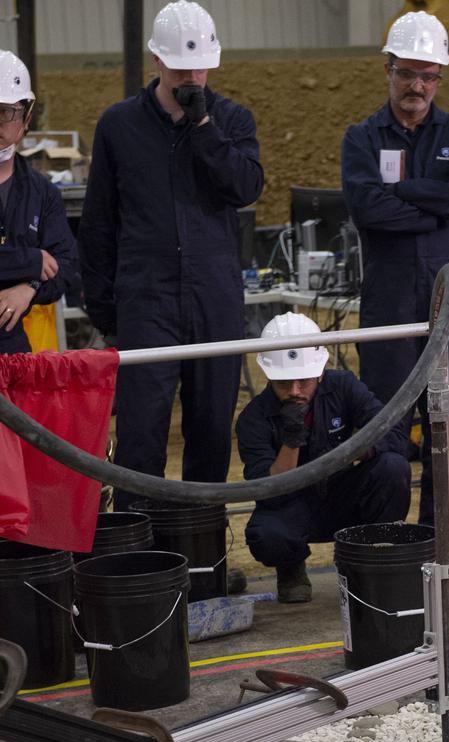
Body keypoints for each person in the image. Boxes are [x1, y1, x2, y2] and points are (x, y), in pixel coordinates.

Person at [78, 1, 263, 507]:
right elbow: (98, 222)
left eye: (202, 67)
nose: (193, 77)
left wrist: (204, 129)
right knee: (141, 436)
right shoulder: (119, 125)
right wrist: (105, 307)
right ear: (156, 61)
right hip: (147, 300)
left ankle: (204, 561)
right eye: (182, 68)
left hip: (214, 301)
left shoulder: (231, 120)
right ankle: (143, 563)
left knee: (209, 432)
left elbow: (246, 187)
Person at [341, 11, 449, 580]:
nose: (417, 86)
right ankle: (391, 539)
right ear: (388, 70)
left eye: (428, 76)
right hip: (390, 305)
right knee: (387, 425)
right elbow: (365, 207)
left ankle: (440, 538)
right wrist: (435, 201)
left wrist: (400, 192)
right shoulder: (362, 138)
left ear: (439, 78)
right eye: (407, 74)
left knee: (447, 426)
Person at [236, 313, 411, 603]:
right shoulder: (253, 419)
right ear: (267, 375)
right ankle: (290, 568)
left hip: (344, 493)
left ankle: (369, 557)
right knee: (266, 534)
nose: (294, 391)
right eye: (283, 383)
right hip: (293, 505)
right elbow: (269, 493)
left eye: (302, 381)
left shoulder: (343, 386)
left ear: (319, 371)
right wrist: (291, 441)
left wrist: (355, 451)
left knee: (392, 468)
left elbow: (392, 430)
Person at [0, 50, 77, 354]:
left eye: (5, 112)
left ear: (27, 118)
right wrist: (31, 262)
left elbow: (68, 267)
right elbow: (44, 262)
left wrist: (28, 288)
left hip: (20, 351)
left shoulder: (41, 192)